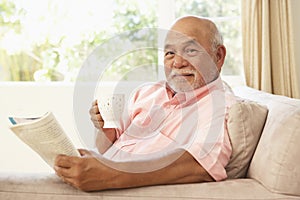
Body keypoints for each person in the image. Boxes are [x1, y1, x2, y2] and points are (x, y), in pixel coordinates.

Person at [54, 16, 237, 191]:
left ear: (218, 56)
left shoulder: (222, 107)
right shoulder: (147, 93)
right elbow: (106, 148)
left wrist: (109, 173)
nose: (178, 62)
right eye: (170, 53)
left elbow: (199, 165)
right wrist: (104, 128)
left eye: (190, 51)